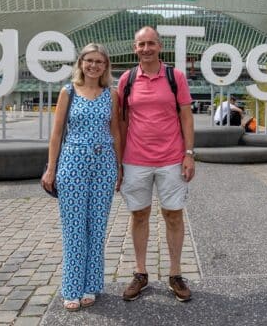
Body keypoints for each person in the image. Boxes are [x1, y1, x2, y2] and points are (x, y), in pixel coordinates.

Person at [41, 43, 121, 312]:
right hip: (73, 162)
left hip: (104, 164)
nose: (94, 65)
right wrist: (51, 168)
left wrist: (119, 167)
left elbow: (116, 132)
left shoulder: (111, 93)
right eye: (89, 60)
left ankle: (91, 284)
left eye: (100, 61)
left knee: (97, 229)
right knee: (74, 229)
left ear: (105, 66)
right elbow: (56, 133)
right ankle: (72, 287)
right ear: (81, 63)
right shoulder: (68, 91)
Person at [118, 26, 195, 302]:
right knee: (139, 215)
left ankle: (175, 274)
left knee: (173, 215)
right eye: (141, 44)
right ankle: (140, 273)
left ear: (160, 46)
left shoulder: (175, 77)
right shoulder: (126, 80)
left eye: (151, 43)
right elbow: (122, 122)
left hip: (171, 159)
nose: (146, 48)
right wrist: (119, 162)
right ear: (134, 47)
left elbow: (186, 116)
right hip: (136, 160)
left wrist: (189, 153)